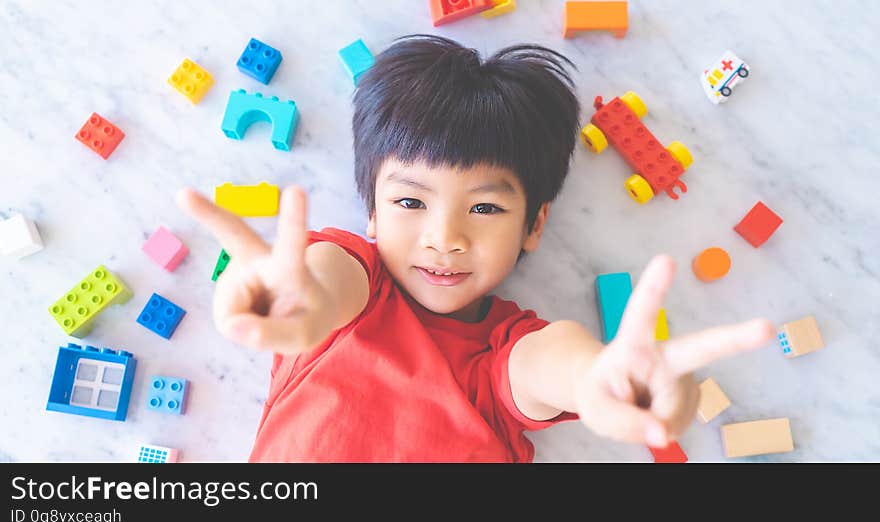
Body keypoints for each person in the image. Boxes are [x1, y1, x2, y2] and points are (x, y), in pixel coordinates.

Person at [176, 35, 774, 462]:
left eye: (485, 208)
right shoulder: (349, 286)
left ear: (534, 226)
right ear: (373, 214)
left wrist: (601, 379)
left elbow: (555, 364)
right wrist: (290, 299)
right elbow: (322, 284)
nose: (445, 238)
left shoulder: (501, 354)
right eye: (411, 203)